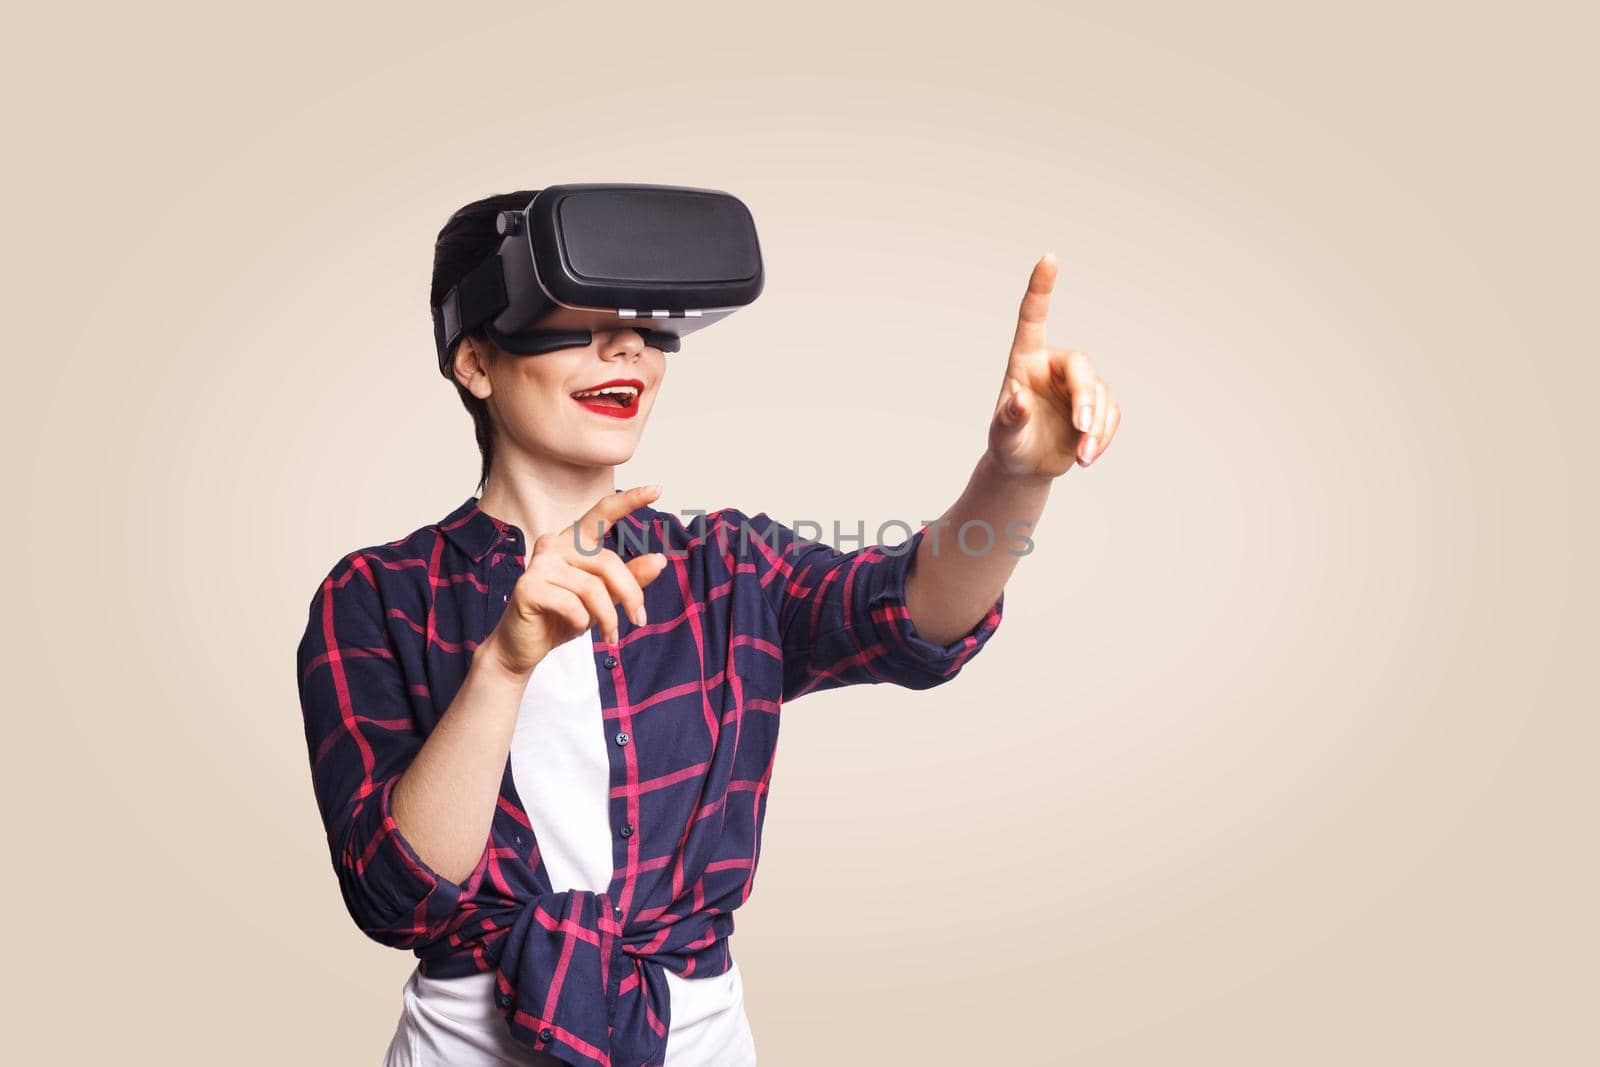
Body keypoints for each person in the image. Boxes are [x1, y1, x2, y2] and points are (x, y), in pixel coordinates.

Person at [295, 189, 1121, 1067]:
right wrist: (503, 664)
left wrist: (1014, 477)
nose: (628, 348)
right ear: (475, 361)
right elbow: (397, 897)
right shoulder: (375, 595)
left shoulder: (726, 568)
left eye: (650, 327)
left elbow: (913, 615)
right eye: (579, 323)